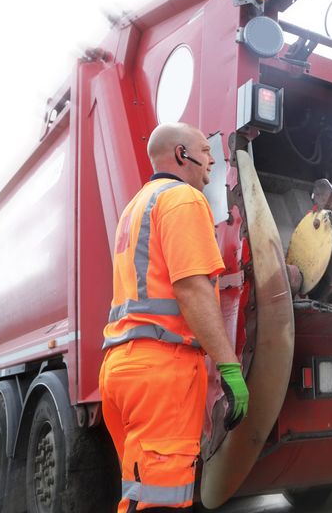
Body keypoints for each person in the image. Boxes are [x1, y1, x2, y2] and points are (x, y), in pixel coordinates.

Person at [99, 122, 249, 512]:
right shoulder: (183, 199)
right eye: (205, 149)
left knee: (141, 493)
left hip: (125, 367)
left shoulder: (137, 206)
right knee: (160, 502)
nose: (213, 158)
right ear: (182, 155)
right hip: (162, 371)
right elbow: (192, 288)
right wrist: (230, 369)